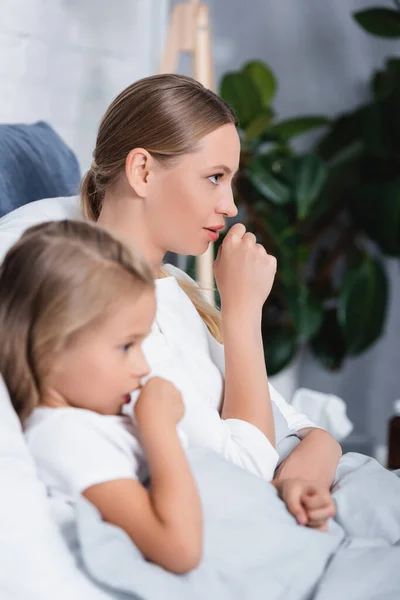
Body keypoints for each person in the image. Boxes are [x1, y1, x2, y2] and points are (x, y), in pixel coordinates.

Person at [0, 73, 341, 531]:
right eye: (215, 178)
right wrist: (242, 313)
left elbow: (310, 432)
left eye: (230, 181)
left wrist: (301, 480)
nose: (231, 206)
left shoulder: (176, 284)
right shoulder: (94, 298)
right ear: (142, 171)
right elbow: (248, 473)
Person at [0, 219, 203, 574]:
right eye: (126, 346)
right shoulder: (63, 435)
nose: (143, 366)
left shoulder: (93, 417)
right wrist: (158, 427)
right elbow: (180, 551)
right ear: (49, 347)